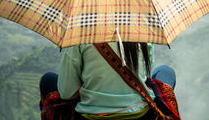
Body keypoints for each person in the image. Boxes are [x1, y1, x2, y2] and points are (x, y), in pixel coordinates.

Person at [40, 42, 176, 119]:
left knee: (48, 80)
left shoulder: (80, 36)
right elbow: (144, 78)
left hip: (91, 117)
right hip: (141, 116)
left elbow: (67, 93)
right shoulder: (141, 32)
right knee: (166, 72)